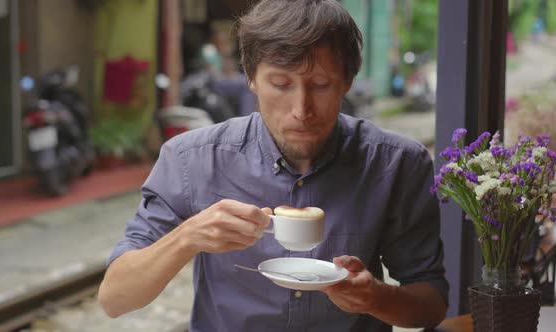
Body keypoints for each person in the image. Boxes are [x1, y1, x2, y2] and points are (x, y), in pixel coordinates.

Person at [98, 1, 448, 331]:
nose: (301, 109)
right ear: (251, 77)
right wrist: (186, 238)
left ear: (348, 81)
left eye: (321, 85)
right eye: (280, 84)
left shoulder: (396, 164)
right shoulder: (191, 160)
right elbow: (115, 298)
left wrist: (377, 297)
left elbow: (432, 304)